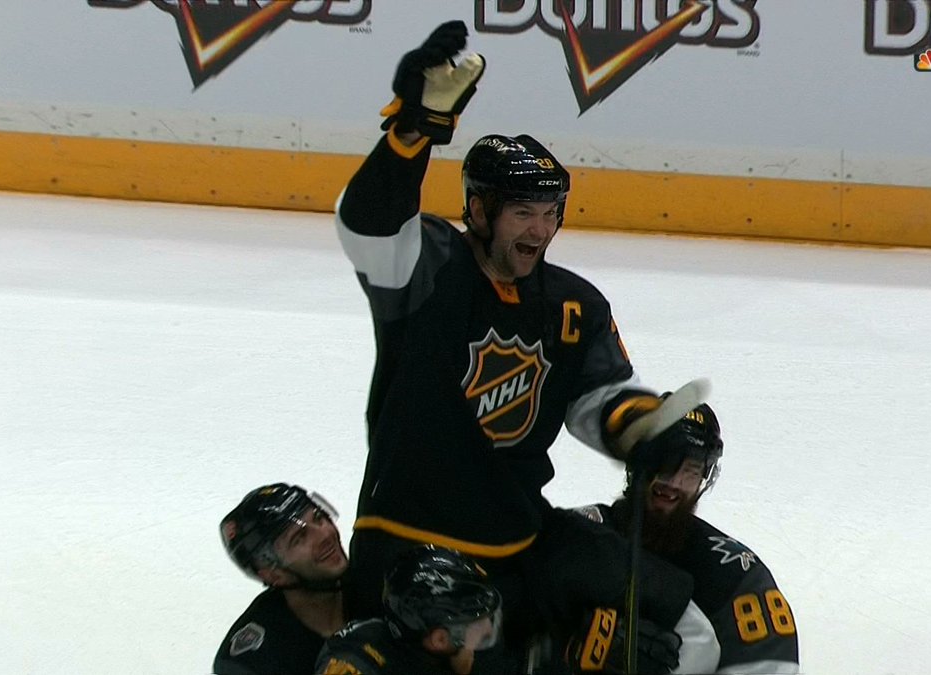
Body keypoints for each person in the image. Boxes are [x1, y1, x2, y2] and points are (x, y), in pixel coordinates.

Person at [335, 18, 717, 674]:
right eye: (522, 212)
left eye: (550, 212)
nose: (540, 230)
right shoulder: (427, 269)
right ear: (480, 211)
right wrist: (412, 132)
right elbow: (368, 223)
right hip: (407, 542)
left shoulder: (573, 303)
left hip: (522, 536)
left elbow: (599, 396)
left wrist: (638, 427)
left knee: (685, 624)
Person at [571, 403, 801, 674]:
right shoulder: (576, 535)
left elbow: (773, 668)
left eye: (691, 470)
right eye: (664, 462)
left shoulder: (734, 575)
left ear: (705, 477)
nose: (673, 482)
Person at [214, 483, 353, 675]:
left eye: (319, 518)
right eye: (299, 538)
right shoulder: (256, 662)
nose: (325, 534)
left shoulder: (380, 586)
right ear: (273, 574)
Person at [314, 545, 503, 675]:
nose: (487, 628)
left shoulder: (437, 656)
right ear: (439, 639)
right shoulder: (354, 662)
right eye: (476, 624)